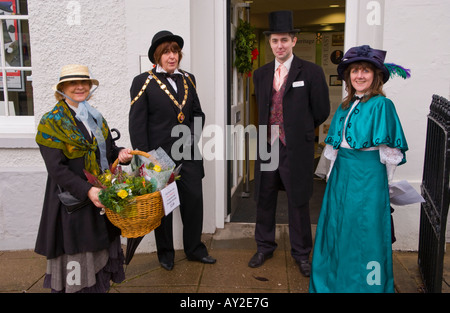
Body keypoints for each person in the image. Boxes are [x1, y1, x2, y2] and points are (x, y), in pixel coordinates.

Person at [309, 45, 409, 293]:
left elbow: (390, 154)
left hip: (368, 177)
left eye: (365, 71)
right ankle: (335, 283)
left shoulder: (382, 105)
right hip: (341, 176)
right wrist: (332, 178)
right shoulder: (344, 106)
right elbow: (333, 150)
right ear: (348, 76)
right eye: (355, 71)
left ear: (375, 75)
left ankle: (365, 286)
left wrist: (383, 188)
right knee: (338, 228)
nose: (360, 76)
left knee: (366, 232)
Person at [35, 64, 134, 293]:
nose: (79, 87)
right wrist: (88, 190)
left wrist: (121, 155)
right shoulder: (52, 122)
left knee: (100, 258)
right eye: (72, 83)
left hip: (100, 199)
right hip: (72, 204)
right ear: (62, 89)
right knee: (79, 265)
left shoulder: (95, 117)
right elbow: (56, 169)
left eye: (84, 82)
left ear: (90, 87)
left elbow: (107, 151)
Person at [250, 10, 330, 277]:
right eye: (274, 41)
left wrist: (298, 130)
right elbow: (262, 109)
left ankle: (301, 253)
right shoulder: (260, 75)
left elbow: (321, 111)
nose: (279, 45)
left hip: (296, 147)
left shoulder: (312, 72)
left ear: (294, 41)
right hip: (268, 145)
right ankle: (264, 246)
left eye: (284, 40)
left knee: (298, 200)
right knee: (264, 196)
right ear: (269, 43)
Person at [129, 30, 215, 271]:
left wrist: (192, 139)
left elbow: (197, 113)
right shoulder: (142, 81)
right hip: (159, 158)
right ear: (157, 56)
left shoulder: (189, 79)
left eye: (175, 51)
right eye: (166, 52)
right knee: (163, 209)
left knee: (194, 202)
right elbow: (137, 124)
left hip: (188, 154)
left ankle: (195, 249)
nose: (172, 56)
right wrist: (147, 159)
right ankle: (165, 254)